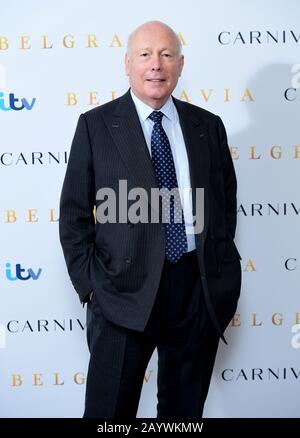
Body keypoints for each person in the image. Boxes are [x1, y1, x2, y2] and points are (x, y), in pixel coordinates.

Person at [59, 20, 242, 418]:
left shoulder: (207, 126)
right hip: (121, 295)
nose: (155, 65)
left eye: (166, 55)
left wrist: (223, 273)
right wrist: (92, 287)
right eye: (145, 55)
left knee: (183, 415)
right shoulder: (95, 126)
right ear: (127, 64)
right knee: (109, 416)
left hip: (195, 293)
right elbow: (73, 214)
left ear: (180, 64)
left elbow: (224, 206)